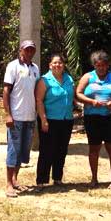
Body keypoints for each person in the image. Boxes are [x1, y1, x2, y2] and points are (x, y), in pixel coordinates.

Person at [75, 50, 111, 188]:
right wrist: (91, 102)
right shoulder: (88, 77)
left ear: (107, 65)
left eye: (103, 65)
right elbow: (78, 93)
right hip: (92, 118)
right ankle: (94, 179)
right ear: (94, 65)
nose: (101, 68)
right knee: (94, 149)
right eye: (98, 65)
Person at [3, 39, 39, 198]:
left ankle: (15, 178)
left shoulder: (35, 68)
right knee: (13, 149)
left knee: (23, 150)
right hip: (16, 117)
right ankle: (8, 184)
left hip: (30, 116)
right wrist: (8, 114)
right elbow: (6, 91)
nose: (30, 52)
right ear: (21, 50)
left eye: (32, 49)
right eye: (27, 49)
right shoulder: (13, 66)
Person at [34, 54, 75, 186]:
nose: (57, 65)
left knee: (61, 150)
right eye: (55, 63)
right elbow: (39, 100)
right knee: (47, 150)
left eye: (60, 63)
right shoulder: (44, 80)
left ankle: (57, 178)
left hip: (66, 119)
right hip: (49, 120)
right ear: (50, 65)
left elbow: (73, 97)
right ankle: (41, 180)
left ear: (63, 65)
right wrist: (43, 119)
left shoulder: (68, 79)